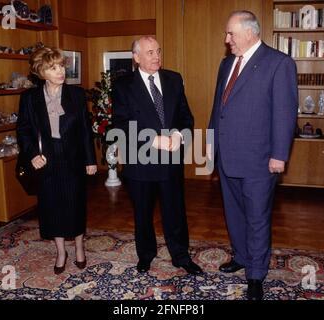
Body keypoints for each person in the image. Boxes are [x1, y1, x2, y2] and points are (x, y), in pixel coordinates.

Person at [207, 11, 298, 300]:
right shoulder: (226, 64)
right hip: (227, 155)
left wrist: (279, 155)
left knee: (257, 217)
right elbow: (218, 107)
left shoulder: (279, 63)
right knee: (233, 213)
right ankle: (242, 257)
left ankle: (256, 274)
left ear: (250, 32)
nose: (226, 40)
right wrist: (210, 143)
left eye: (230, 34)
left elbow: (285, 114)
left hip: (260, 158)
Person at [112, 36, 203, 275]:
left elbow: (186, 117)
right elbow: (120, 125)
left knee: (175, 211)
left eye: (158, 51)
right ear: (136, 57)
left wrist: (179, 137)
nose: (156, 57)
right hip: (140, 161)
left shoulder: (174, 79)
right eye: (150, 52)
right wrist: (153, 139)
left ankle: (181, 256)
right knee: (142, 213)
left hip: (171, 160)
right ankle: (146, 255)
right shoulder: (123, 85)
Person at [17, 47, 97, 275]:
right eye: (53, 68)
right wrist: (32, 154)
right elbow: (23, 130)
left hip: (73, 158)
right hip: (46, 160)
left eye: (61, 66)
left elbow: (84, 130)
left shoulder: (77, 95)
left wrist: (90, 160)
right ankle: (61, 252)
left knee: (76, 205)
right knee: (52, 207)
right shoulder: (29, 98)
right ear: (41, 72)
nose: (60, 71)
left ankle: (80, 247)